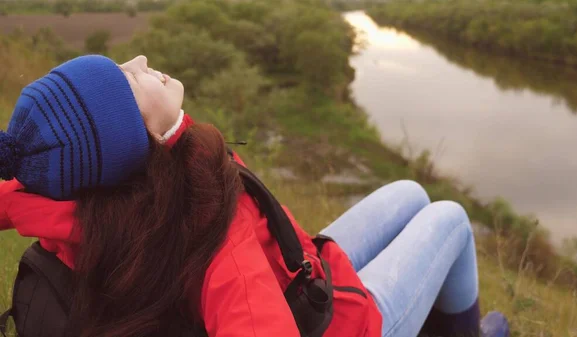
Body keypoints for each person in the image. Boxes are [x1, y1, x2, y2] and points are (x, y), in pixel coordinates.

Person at [0, 55, 509, 337]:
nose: (140, 58)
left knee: (410, 191)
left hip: (303, 271)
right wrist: (177, 132)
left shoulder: (73, 191)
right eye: (127, 78)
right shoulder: (207, 224)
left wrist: (174, 131)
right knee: (450, 216)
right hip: (344, 323)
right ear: (136, 133)